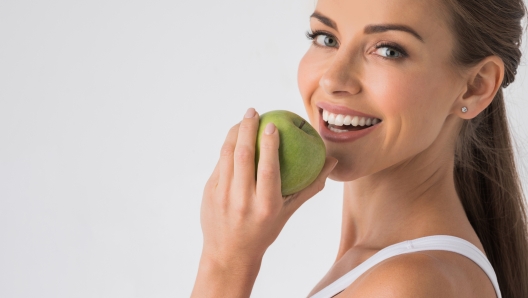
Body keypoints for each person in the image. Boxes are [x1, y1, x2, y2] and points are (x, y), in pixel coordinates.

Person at [191, 0, 528, 296]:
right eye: (327, 38)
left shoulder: (410, 284)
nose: (333, 80)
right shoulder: (388, 267)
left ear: (475, 86)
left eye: (388, 50)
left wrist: (225, 263)